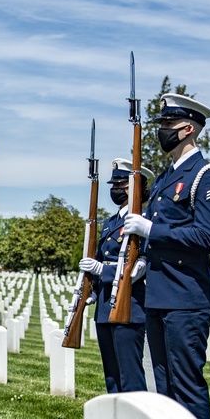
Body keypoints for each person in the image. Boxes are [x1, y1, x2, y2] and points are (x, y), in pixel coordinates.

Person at [123, 93, 210, 419]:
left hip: (188, 295)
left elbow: (207, 235)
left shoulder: (207, 174)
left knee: (187, 382)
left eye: (167, 126)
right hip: (159, 292)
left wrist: (152, 230)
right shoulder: (166, 178)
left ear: (188, 129)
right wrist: (146, 259)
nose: (161, 132)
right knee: (164, 382)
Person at [78, 158, 153, 393]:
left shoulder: (145, 220)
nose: (116, 189)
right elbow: (102, 255)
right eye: (115, 184)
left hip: (129, 305)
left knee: (129, 374)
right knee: (111, 375)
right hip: (104, 305)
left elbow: (142, 264)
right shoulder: (111, 222)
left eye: (122, 185)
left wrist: (104, 271)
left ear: (137, 188)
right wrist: (93, 288)